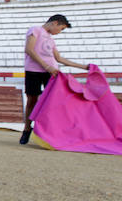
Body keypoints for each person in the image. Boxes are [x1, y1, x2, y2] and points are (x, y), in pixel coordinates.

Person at [20, 14, 88, 144]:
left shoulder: (51, 40)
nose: (59, 32)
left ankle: (50, 131)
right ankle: (27, 129)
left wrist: (84, 67)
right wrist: (46, 66)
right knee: (31, 101)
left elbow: (59, 59)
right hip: (34, 71)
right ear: (55, 23)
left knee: (52, 102)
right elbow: (29, 50)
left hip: (51, 73)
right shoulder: (35, 30)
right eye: (61, 29)